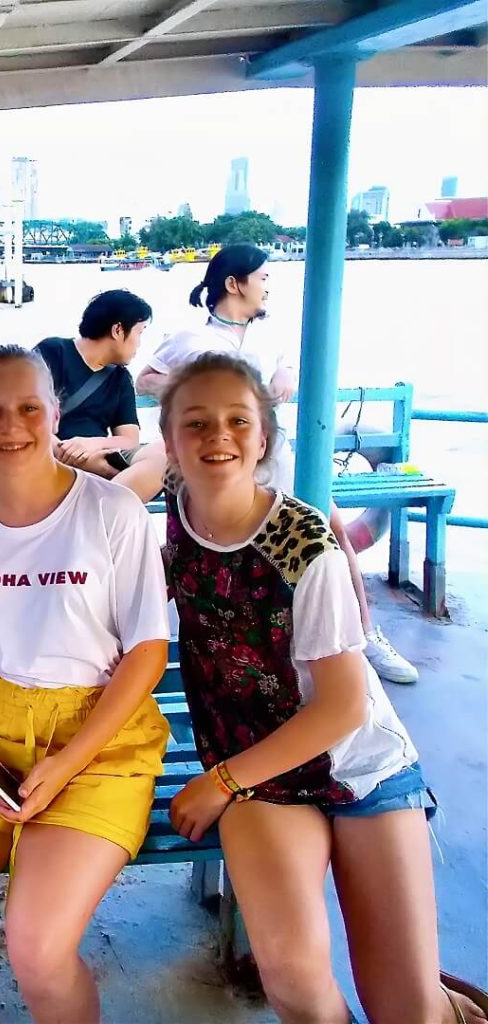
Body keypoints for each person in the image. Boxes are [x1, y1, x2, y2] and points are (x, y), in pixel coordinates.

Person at [160, 352, 484, 1024]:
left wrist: (215, 783)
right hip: (263, 778)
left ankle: (443, 1005)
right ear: (169, 441)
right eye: (195, 423)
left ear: (265, 440)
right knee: (295, 984)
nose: (216, 436)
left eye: (236, 422)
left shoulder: (304, 546)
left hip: (357, 765)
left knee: (407, 1011)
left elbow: (341, 705)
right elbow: (110, 475)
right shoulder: (173, 504)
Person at [0, 345, 171, 1024]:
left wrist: (69, 760)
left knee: (37, 948)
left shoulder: (111, 513)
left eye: (27, 408)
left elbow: (147, 652)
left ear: (54, 414)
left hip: (100, 747)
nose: (10, 424)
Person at [118, 244, 418, 686]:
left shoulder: (268, 337)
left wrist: (285, 380)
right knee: (207, 553)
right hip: (220, 467)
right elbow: (146, 379)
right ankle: (152, 644)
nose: (266, 288)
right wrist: (207, 394)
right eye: (261, 278)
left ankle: (363, 634)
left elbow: (291, 375)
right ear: (233, 284)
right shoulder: (192, 340)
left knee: (330, 534)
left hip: (275, 455)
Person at [33, 289, 151, 478]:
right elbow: (26, 415)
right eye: (140, 332)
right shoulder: (52, 352)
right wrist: (63, 452)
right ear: (118, 330)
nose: (139, 343)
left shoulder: (120, 378)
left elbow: (129, 440)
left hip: (93, 460)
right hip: (45, 460)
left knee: (158, 457)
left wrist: (91, 444)